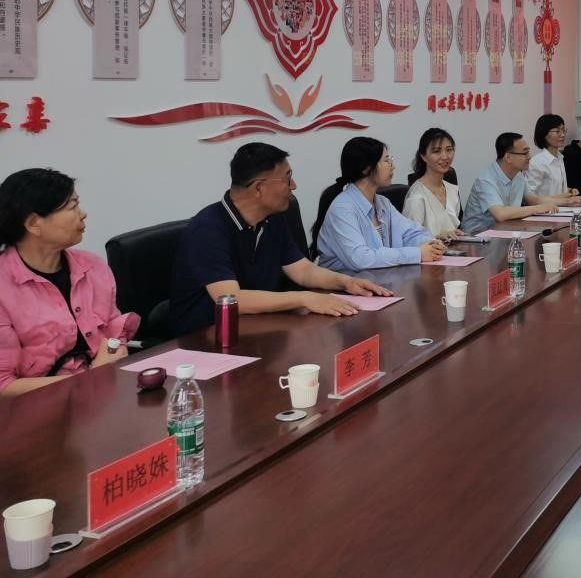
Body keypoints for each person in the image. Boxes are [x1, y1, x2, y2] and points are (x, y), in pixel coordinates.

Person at [168, 143, 392, 336]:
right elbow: (232, 299)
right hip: (204, 340)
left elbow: (303, 270)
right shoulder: (207, 229)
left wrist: (345, 282)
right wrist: (304, 299)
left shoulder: (272, 218)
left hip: (257, 329)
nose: (294, 186)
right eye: (287, 178)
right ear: (259, 188)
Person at [0, 169, 138, 397]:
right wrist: (88, 379)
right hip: (40, 407)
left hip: (104, 393)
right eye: (72, 207)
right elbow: (4, 385)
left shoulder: (92, 267)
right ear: (33, 224)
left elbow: (113, 330)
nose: (83, 214)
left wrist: (115, 349)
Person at [313, 137, 445, 273]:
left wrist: (431, 244)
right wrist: (417, 253)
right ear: (366, 169)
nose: (393, 166)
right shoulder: (342, 209)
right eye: (387, 160)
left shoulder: (382, 202)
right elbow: (361, 259)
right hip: (343, 282)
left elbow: (411, 232)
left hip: (377, 278)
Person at [462, 132, 581, 234]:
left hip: (506, 231)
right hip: (477, 239)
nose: (529, 157)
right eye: (525, 153)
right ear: (508, 157)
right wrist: (539, 208)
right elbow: (501, 214)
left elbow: (533, 199)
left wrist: (569, 201)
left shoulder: (518, 175)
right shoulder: (486, 180)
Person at [403, 128, 464, 242]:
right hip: (429, 252)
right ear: (423, 156)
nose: (445, 156)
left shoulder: (452, 189)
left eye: (449, 150)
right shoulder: (416, 197)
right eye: (436, 151)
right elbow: (409, 241)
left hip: (455, 250)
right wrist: (436, 237)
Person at [527, 114, 581, 201]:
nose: (562, 134)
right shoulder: (537, 162)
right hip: (546, 208)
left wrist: (570, 191)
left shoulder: (560, 157)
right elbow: (530, 198)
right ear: (544, 134)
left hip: (562, 206)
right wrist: (563, 197)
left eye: (563, 130)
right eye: (557, 131)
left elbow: (555, 189)